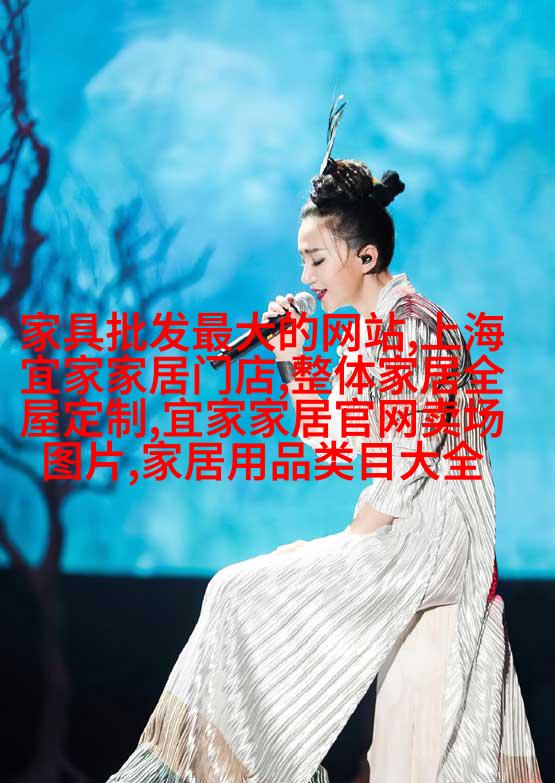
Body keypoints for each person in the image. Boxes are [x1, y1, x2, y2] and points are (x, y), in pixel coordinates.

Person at [106, 107, 542, 783]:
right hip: (401, 531)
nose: (306, 276)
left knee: (238, 591)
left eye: (316, 259)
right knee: (258, 599)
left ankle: (244, 763)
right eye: (302, 260)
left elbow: (409, 458)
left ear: (366, 257)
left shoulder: (416, 325)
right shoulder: (369, 333)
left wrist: (348, 542)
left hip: (430, 537)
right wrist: (290, 359)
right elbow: (331, 440)